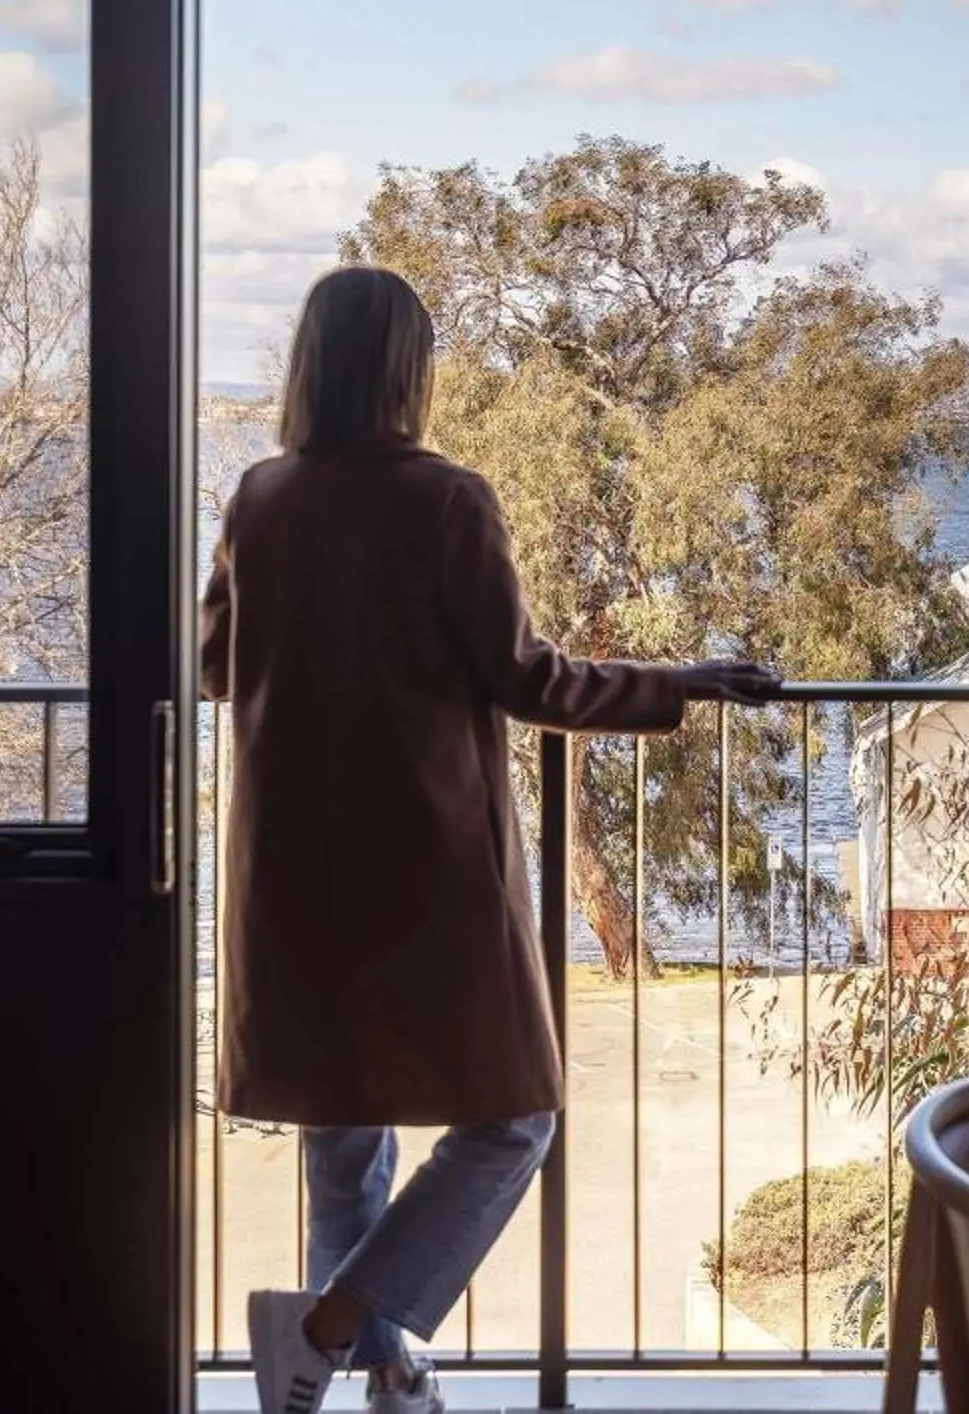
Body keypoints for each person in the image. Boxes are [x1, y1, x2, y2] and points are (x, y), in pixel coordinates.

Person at [202, 265, 778, 1414]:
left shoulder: (260, 497)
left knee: (341, 1121)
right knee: (516, 1116)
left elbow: (216, 665)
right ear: (411, 371)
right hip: (420, 862)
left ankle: (366, 1364)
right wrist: (681, 681)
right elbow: (527, 677)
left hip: (291, 870)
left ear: (311, 363)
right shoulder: (447, 500)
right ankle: (329, 1327)